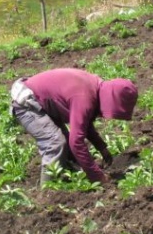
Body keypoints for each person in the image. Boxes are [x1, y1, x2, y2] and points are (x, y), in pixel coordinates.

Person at [10, 68, 138, 186]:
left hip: (42, 102)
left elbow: (85, 123)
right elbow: (76, 142)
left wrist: (102, 148)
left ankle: (69, 178)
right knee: (55, 142)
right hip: (27, 103)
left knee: (67, 148)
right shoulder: (84, 97)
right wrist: (98, 177)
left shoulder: (95, 87)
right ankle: (47, 192)